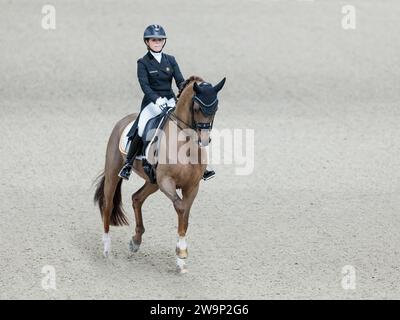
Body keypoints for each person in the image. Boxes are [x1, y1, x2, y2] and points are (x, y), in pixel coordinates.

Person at [118, 24, 215, 181]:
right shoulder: (143, 63)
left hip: (170, 100)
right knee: (142, 126)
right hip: (152, 102)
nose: (157, 42)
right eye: (154, 40)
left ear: (164, 42)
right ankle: (128, 164)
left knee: (189, 125)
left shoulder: (170, 60)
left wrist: (188, 90)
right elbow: (145, 86)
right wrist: (157, 99)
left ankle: (201, 166)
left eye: (160, 40)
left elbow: (180, 81)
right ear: (147, 42)